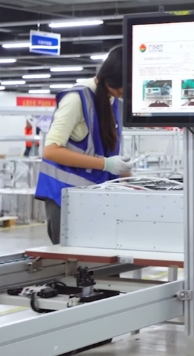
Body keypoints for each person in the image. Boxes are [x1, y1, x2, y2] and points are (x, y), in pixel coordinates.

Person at [35, 46, 132, 245]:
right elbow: (51, 150)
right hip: (65, 197)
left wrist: (126, 175)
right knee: (72, 265)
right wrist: (106, 164)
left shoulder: (113, 102)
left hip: (94, 198)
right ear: (114, 80)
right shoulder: (76, 100)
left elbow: (101, 149)